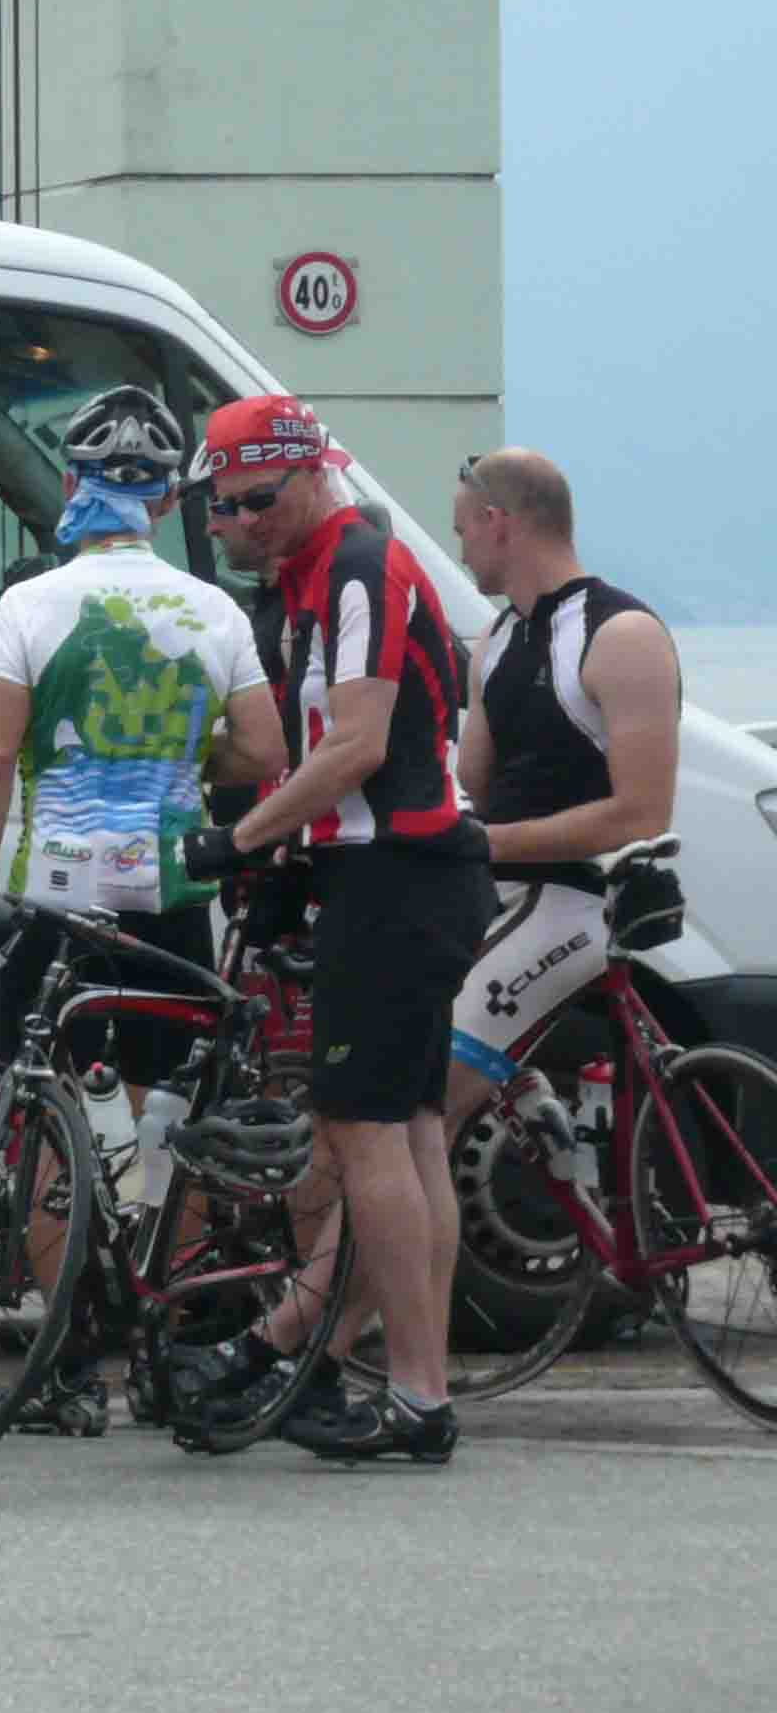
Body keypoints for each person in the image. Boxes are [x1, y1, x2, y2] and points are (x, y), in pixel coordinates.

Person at [0, 384, 288, 1435]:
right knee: (168, 1124)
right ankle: (168, 1352)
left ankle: (61, 1368)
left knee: (48, 1124)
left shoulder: (32, 605)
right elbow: (265, 754)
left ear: (69, 487)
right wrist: (178, 762)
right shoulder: (213, 609)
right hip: (170, 900)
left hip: (60, 901)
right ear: (170, 499)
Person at [181, 395, 495, 1466]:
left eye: (258, 499)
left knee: (368, 1136)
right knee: (411, 1133)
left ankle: (413, 1392)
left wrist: (241, 840)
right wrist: (285, 853)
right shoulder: (307, 579)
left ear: (314, 475)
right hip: (389, 874)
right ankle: (419, 1388)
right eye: (224, 506)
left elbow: (357, 745)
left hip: (403, 876)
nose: (239, 522)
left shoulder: (362, 566)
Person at [445, 451, 681, 1113]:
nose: (459, 550)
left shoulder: (621, 633)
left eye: (462, 530)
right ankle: (539, 1122)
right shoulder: (496, 636)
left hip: (576, 901)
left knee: (418, 1099)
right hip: (500, 892)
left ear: (497, 522)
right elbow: (473, 779)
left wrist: (488, 842)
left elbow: (643, 814)